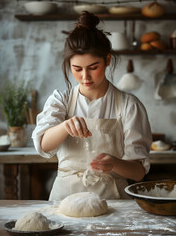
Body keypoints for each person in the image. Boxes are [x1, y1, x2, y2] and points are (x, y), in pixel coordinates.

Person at [32, 11, 152, 200]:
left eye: (93, 67)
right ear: (69, 65)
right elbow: (43, 146)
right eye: (77, 69)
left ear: (107, 60)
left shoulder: (129, 106)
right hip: (65, 200)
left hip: (113, 202)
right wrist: (64, 126)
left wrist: (114, 163)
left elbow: (138, 173)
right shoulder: (60, 101)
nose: (85, 77)